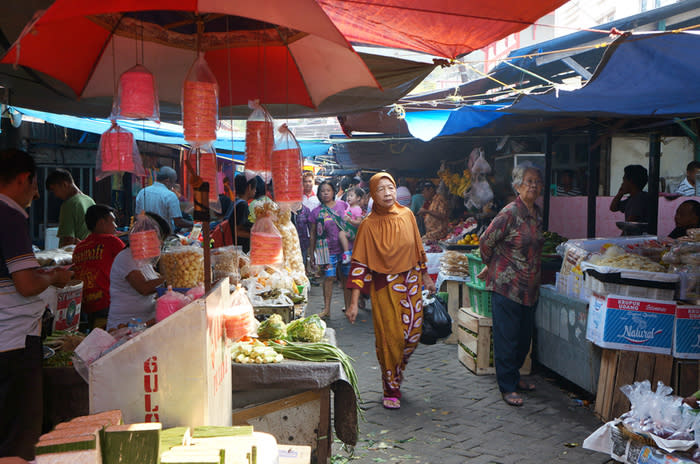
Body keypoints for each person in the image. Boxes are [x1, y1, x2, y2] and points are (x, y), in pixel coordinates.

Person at [0, 149, 73, 460]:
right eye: (34, 184)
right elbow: (26, 284)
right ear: (22, 179)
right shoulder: (9, 214)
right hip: (12, 342)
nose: (35, 193)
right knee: (17, 440)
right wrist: (55, 277)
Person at [345, 172, 436, 410]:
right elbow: (359, 265)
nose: (387, 193)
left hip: (411, 283)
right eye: (381, 189)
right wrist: (354, 303)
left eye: (390, 188)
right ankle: (390, 386)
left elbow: (418, 248)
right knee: (390, 339)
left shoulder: (408, 216)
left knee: (412, 335)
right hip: (385, 286)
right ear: (373, 194)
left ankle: (397, 370)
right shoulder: (367, 224)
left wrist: (426, 275)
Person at [477, 164, 543, 407]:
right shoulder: (509, 213)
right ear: (517, 186)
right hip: (506, 285)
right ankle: (507, 386)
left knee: (524, 337)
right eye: (528, 181)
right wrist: (492, 264)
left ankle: (515, 377)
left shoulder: (537, 213)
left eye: (537, 181)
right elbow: (486, 241)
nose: (533, 185)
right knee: (507, 338)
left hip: (530, 288)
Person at [106, 213, 169, 331]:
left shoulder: (145, 260)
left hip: (146, 323)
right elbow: (144, 288)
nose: (161, 243)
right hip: (124, 327)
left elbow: (156, 286)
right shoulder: (127, 257)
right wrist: (171, 278)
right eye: (159, 238)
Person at [71, 204, 125, 330]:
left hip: (87, 305)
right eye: (113, 222)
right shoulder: (112, 241)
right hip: (108, 303)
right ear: (101, 223)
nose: (116, 226)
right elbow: (130, 265)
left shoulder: (79, 247)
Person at [308, 181, 350, 318]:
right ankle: (326, 309)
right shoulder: (316, 212)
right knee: (329, 277)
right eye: (322, 191)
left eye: (328, 190)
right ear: (319, 194)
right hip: (326, 250)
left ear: (333, 192)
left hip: (344, 249)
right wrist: (312, 253)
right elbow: (313, 234)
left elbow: (352, 222)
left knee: (345, 278)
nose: (325, 193)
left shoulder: (342, 206)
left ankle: (349, 306)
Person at [45, 168, 95, 246]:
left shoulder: (68, 205)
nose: (55, 195)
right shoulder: (90, 201)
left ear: (64, 184)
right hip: (89, 252)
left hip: (74, 255)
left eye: (54, 190)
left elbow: (68, 240)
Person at [135, 166, 192, 232]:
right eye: (173, 182)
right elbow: (178, 222)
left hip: (145, 235)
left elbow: (138, 215)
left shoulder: (142, 192)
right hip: (164, 236)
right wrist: (193, 224)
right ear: (167, 181)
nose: (173, 185)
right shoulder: (170, 195)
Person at [225, 174, 257, 253]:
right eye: (255, 188)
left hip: (230, 246)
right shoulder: (243, 205)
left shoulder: (235, 201)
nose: (255, 191)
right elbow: (237, 231)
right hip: (237, 250)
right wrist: (257, 236)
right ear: (249, 187)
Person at [338, 187, 365, 264]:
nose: (348, 197)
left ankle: (346, 254)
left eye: (351, 195)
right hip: (348, 229)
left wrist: (350, 220)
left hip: (353, 231)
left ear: (358, 198)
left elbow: (359, 222)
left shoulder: (357, 209)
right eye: (348, 195)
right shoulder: (348, 207)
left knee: (341, 234)